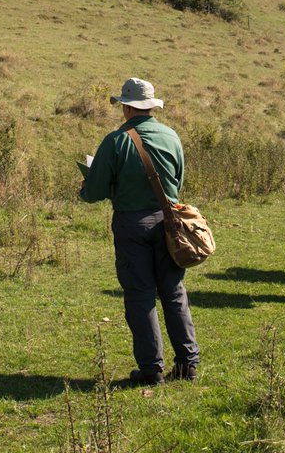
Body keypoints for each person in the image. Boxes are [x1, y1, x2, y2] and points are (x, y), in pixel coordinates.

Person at [80, 77, 200, 385]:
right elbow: (178, 179)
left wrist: (88, 183)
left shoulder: (115, 141)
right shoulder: (172, 136)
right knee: (174, 293)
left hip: (132, 224)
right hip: (169, 222)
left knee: (140, 296)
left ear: (126, 107)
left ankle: (150, 370)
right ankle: (188, 364)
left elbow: (93, 193)